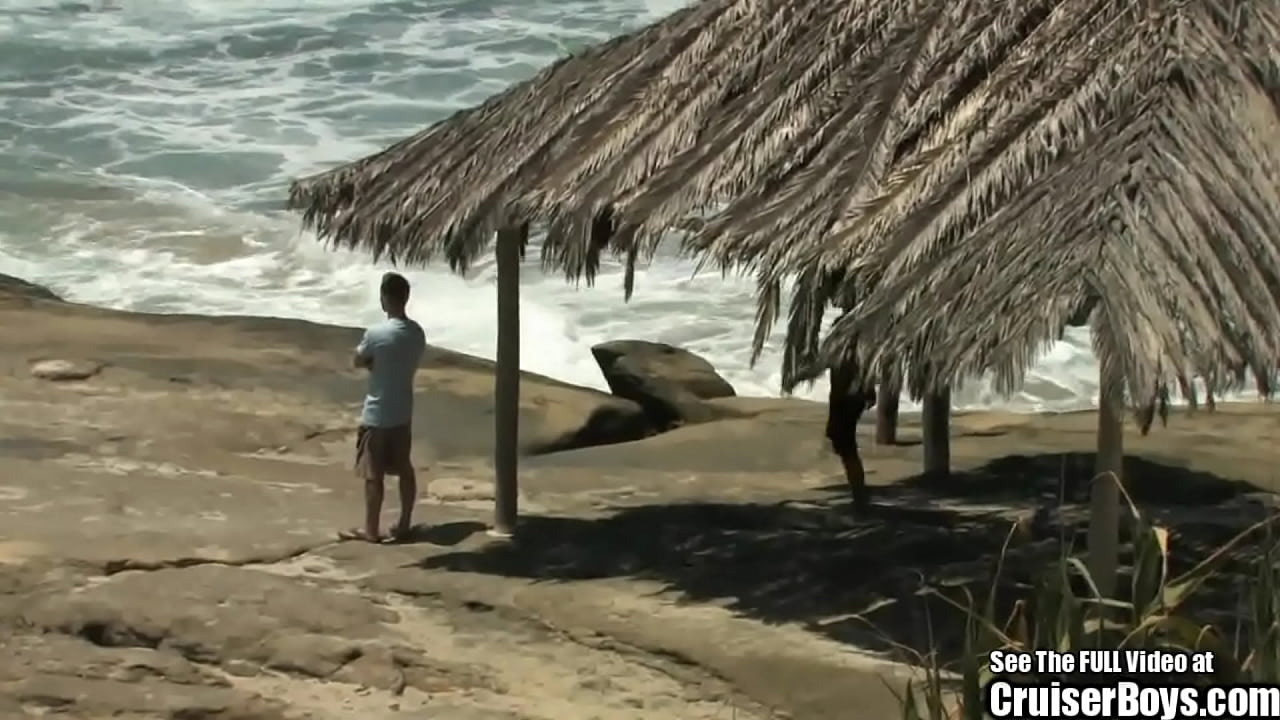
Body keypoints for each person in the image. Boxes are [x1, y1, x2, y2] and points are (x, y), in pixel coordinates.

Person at [340, 272, 427, 543]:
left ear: (385, 298)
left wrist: (371, 363)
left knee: (373, 475)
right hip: (402, 413)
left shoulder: (376, 334)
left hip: (377, 414)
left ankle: (371, 529)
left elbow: (358, 360)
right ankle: (403, 523)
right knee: (404, 468)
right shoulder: (416, 333)